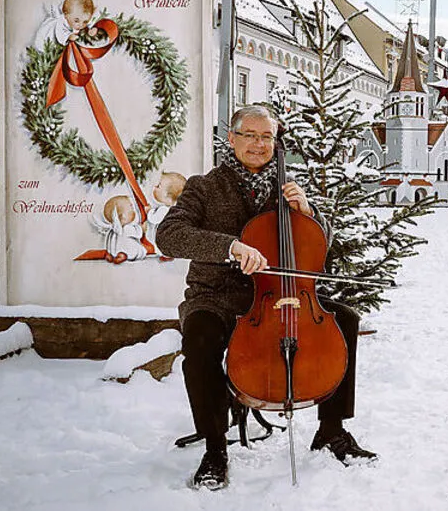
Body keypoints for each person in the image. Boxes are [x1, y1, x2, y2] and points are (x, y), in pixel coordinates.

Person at [156, 106, 375, 491]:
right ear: (232, 139)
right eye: (250, 135)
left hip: (281, 295)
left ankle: (331, 428)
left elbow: (321, 240)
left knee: (344, 318)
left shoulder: (286, 188)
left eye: (266, 137)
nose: (259, 144)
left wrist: (308, 211)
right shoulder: (204, 187)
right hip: (218, 295)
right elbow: (169, 234)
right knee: (200, 340)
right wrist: (231, 247)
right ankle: (214, 448)